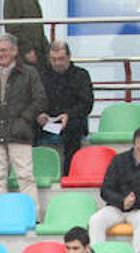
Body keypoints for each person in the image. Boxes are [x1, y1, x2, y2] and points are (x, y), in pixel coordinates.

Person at [0, 34, 46, 215]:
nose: (0, 54)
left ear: (15, 51)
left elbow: (40, 99)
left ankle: (32, 216)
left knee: (25, 177)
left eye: (4, 50)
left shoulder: (29, 73)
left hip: (20, 132)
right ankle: (0, 216)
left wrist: (24, 118)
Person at [88, 125, 140, 253]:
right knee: (95, 220)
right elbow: (106, 190)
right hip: (117, 207)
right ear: (138, 143)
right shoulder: (118, 160)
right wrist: (122, 201)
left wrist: (133, 202)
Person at [37, 41, 94, 171]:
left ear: (69, 57)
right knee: (27, 128)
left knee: (73, 129)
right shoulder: (42, 76)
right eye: (53, 59)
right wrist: (39, 114)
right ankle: (36, 170)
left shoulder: (81, 75)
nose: (57, 63)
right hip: (48, 120)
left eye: (61, 59)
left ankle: (69, 171)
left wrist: (68, 115)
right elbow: (35, 100)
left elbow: (86, 104)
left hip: (72, 119)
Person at [3, 0, 48, 68]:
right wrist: (27, 49)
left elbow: (40, 28)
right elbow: (11, 28)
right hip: (23, 54)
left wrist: (47, 49)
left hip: (39, 52)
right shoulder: (12, 2)